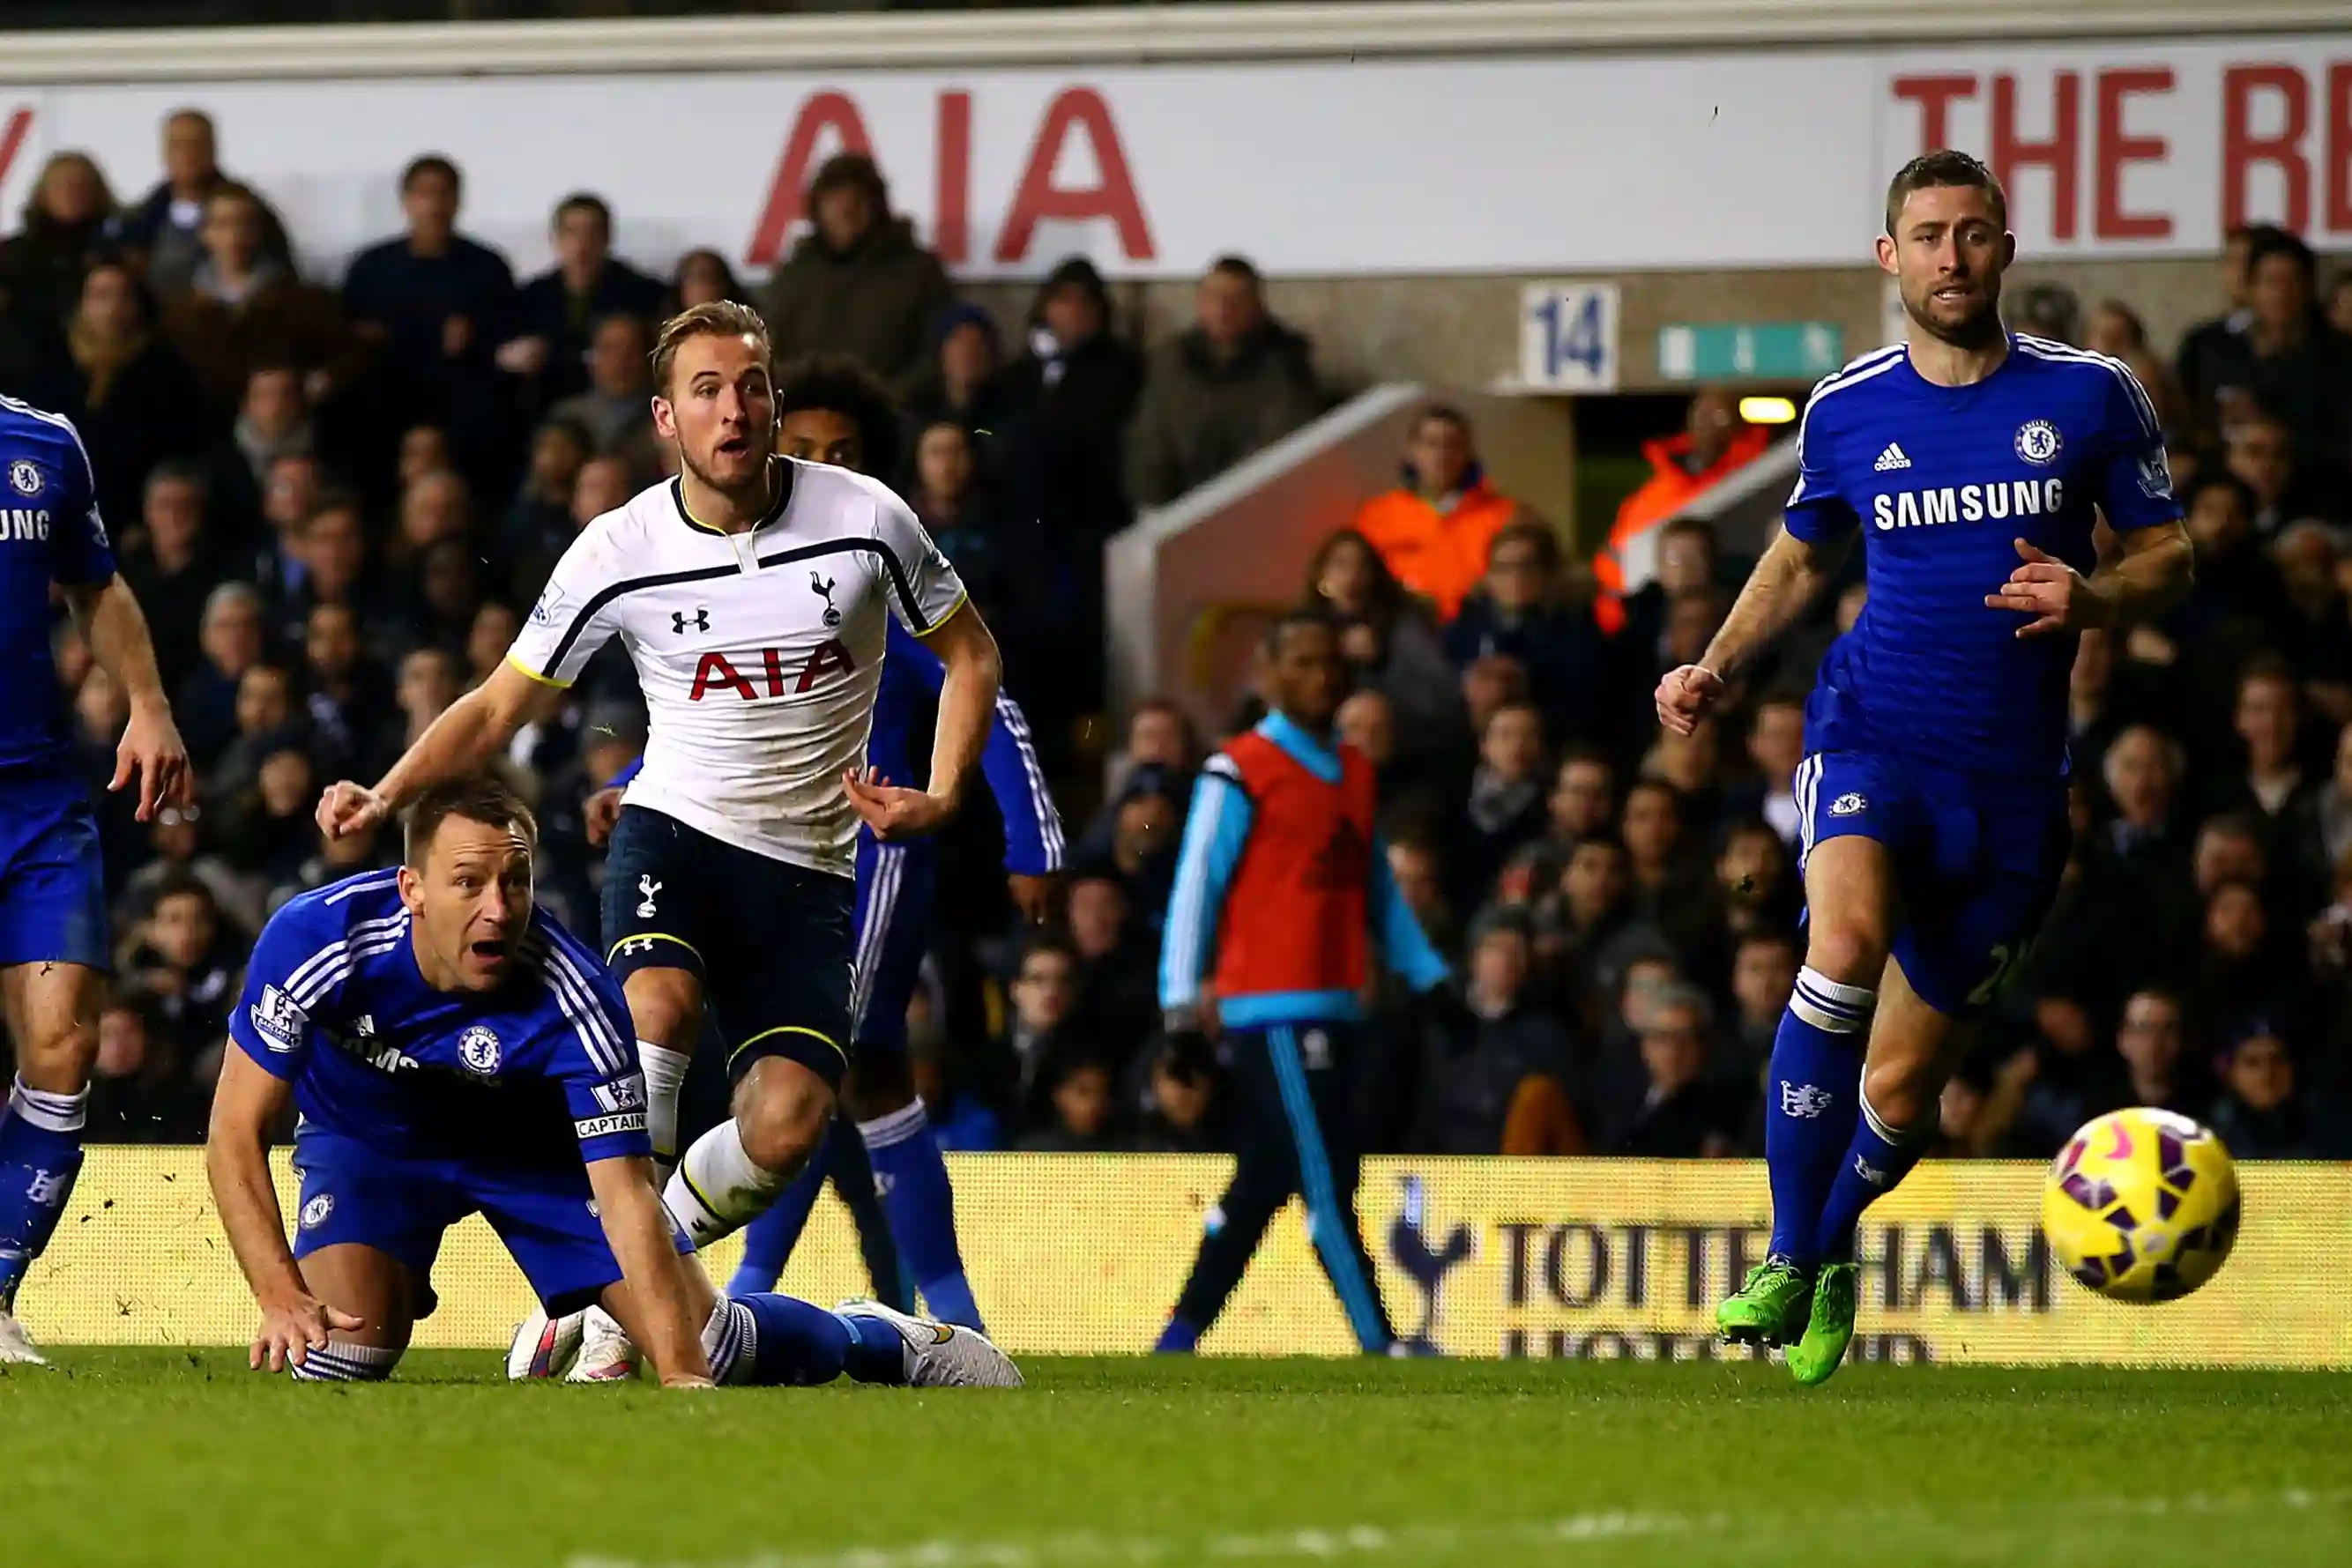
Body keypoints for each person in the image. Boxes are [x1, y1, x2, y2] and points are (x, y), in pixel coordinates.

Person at [315, 300, 1001, 1382]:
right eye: (708, 390)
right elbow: (498, 707)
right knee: (656, 1011)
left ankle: (625, 1280)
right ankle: (624, 1295)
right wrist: (384, 791)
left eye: (752, 386)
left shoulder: (866, 518)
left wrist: (946, 794)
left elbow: (971, 657)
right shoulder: (619, 548)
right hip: (672, 834)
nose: (736, 408)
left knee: (785, 1127)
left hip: (810, 869)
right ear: (665, 418)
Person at [1657, 151, 2192, 1386]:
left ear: (2006, 248)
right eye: (1929, 236)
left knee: (1900, 1089)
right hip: (1871, 731)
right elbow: (1799, 558)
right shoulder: (1846, 408)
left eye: (1974, 234)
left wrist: (2098, 593)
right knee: (1838, 945)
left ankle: (1833, 1241)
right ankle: (1788, 1253)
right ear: (1890, 257)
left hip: (2009, 794)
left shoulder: (2095, 395)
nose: (1953, 257)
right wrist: (1717, 665)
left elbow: (2173, 555)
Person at [206, 774, 1016, 1388]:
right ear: (412, 889)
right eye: (468, 884)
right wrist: (280, 1294)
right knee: (335, 1357)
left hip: (531, 1156)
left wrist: (682, 1376)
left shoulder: (576, 992)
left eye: (515, 882)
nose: (498, 908)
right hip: (368, 1143)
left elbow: (628, 1191)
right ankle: (397, 1262)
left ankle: (877, 1338)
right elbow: (234, 1135)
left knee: (714, 1344)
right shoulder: (318, 938)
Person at [584, 354, 1063, 1333]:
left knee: (849, 1071)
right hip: (747, 854)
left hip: (865, 853)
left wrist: (1030, 842)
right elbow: (725, 723)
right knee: (835, 1085)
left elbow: (992, 699)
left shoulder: (882, 584)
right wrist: (627, 785)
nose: (815, 466)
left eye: (841, 454)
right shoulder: (751, 575)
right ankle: (862, 1299)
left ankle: (722, 1287)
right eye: (804, 449)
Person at [1154, 610, 1456, 1356]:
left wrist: (1428, 976)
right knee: (1326, 1184)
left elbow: (1375, 888)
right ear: (1271, 675)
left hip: (1338, 1004)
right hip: (1272, 1012)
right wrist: (1181, 1007)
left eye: (1333, 663)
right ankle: (1379, 1340)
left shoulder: (1354, 770)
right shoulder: (1241, 768)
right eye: (1307, 663)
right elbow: (1198, 884)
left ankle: (1175, 1342)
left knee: (1259, 1187)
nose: (1324, 676)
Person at [0, 394, 194, 1363]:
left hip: (35, 799)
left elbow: (97, 586)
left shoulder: (43, 440)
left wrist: (149, 704)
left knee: (64, 1050)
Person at [1125, 256, 1322, 509]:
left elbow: (1285, 451)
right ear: (1199, 303)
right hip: (1177, 511)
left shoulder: (1285, 367)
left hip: (1254, 511)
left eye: (1236, 300)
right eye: (1214, 298)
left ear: (1257, 307)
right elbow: (1149, 444)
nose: (1223, 310)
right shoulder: (1172, 362)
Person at [759, 153, 953, 393]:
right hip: (806, 414)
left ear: (878, 206)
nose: (846, 210)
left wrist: (887, 400)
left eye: (858, 200)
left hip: (897, 415)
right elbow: (769, 352)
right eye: (834, 199)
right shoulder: (794, 277)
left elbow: (938, 355)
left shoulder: (918, 272)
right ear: (817, 207)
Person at [1352, 405, 1530, 621]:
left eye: (1453, 445)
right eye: (1431, 444)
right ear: (1411, 450)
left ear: (1468, 452)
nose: (1442, 455)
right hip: (1403, 631)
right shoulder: (1378, 516)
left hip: (1481, 628)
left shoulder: (1505, 514)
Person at [105, 108, 291, 301]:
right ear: (164, 153)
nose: (188, 155)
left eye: (196, 145)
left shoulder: (251, 211)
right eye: (178, 146)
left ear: (213, 149)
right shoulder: (138, 221)